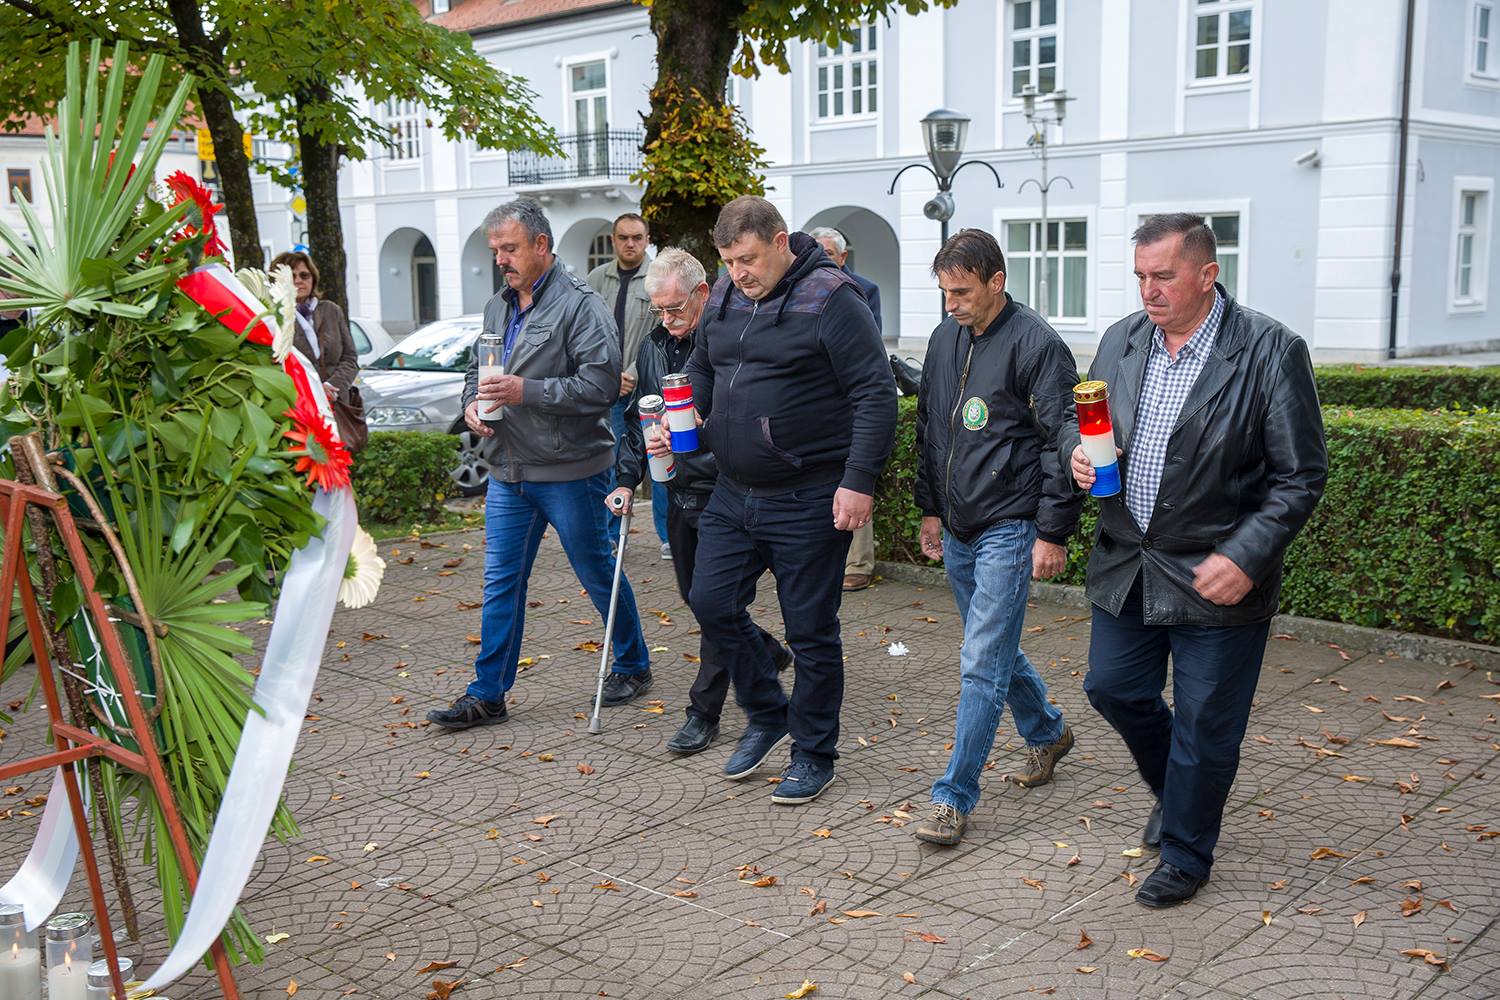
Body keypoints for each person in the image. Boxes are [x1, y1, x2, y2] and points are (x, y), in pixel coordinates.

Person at [1067, 213, 1326, 907]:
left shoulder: (1270, 350)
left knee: (1207, 725)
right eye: (1140, 277)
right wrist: (1077, 457)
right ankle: (1180, 791)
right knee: (1112, 688)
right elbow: (1082, 421)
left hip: (1219, 572)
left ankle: (1185, 852)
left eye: (1164, 276)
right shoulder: (1122, 338)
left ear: (1209, 274)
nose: (1148, 291)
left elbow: (1300, 476)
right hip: (1130, 559)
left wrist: (1247, 555)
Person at [686, 196, 896, 804]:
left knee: (810, 631)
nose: (738, 273)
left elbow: (876, 394)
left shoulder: (832, 298)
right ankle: (768, 711)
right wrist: (686, 412)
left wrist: (859, 480)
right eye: (728, 262)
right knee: (710, 602)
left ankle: (813, 752)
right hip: (733, 490)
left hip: (808, 494)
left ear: (780, 242)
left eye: (748, 259)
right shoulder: (725, 295)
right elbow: (704, 364)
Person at [428, 198, 653, 730]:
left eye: (509, 249)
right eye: (495, 250)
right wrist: (470, 403)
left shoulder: (580, 304)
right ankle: (488, 694)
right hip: (508, 471)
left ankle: (633, 662)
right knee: (501, 582)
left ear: (541, 245)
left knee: (597, 571)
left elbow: (600, 386)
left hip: (572, 469)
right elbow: (476, 369)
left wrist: (524, 391)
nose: (500, 260)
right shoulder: (497, 306)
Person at [909, 229, 1080, 847]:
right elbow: (931, 428)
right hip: (959, 524)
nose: (950, 303)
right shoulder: (944, 338)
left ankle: (952, 797)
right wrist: (930, 509)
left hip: (1010, 523)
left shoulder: (1038, 345)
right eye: (944, 292)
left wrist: (1052, 532)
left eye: (961, 292)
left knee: (981, 660)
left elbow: (1062, 443)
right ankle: (1048, 732)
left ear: (997, 282)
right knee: (993, 647)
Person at [606, 248, 793, 755]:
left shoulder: (730, 339)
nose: (666, 319)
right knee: (698, 598)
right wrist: (626, 480)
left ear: (702, 294)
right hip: (677, 490)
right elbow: (637, 419)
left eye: (674, 308)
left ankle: (703, 712)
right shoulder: (654, 344)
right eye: (658, 310)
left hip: (726, 492)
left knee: (719, 603)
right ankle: (763, 648)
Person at [587, 213, 670, 559]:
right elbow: (586, 331)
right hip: (608, 390)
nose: (631, 244)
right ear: (613, 240)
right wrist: (607, 375)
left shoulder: (659, 277)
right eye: (623, 237)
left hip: (648, 387)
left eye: (637, 237)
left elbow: (660, 331)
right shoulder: (596, 278)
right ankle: (611, 534)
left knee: (660, 458)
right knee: (612, 461)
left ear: (647, 239)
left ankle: (669, 536)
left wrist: (634, 373)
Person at [811, 226, 885, 593]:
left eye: (827, 252)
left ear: (842, 257)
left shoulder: (863, 289)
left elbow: (868, 351)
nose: (820, 258)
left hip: (849, 400)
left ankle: (858, 562)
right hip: (814, 406)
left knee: (853, 478)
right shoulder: (800, 290)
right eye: (815, 251)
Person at [270, 251, 358, 407]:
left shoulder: (332, 310)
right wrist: (314, 390)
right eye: (291, 277)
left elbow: (349, 357)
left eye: (304, 276)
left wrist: (332, 386)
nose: (298, 281)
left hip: (336, 402)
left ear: (313, 278)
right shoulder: (272, 316)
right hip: (298, 404)